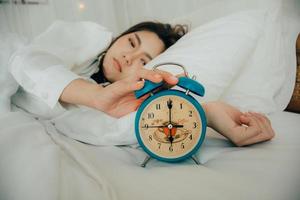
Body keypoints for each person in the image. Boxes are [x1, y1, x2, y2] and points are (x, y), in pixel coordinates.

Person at [9, 21, 275, 147]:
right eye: (131, 43)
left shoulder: (125, 98)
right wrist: (92, 95)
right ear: (120, 36)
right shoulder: (88, 37)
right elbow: (26, 61)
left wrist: (206, 113)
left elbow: (110, 130)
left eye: (142, 60)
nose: (128, 57)